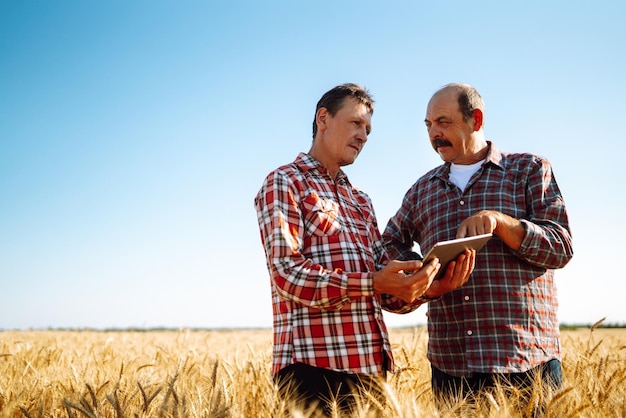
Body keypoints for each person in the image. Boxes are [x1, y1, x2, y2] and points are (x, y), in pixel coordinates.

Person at [254, 83, 475, 414]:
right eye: (356, 123)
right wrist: (373, 282)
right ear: (323, 118)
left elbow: (384, 290)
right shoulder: (285, 182)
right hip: (313, 369)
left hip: (372, 372)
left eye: (368, 130)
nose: (363, 135)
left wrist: (427, 288)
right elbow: (287, 274)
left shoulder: (361, 200)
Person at [382, 83, 574, 406]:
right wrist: (425, 282)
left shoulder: (528, 170)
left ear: (476, 119)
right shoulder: (421, 191)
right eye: (429, 125)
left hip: (526, 363)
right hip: (452, 370)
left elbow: (561, 247)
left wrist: (501, 223)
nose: (434, 134)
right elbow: (388, 245)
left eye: (443, 122)